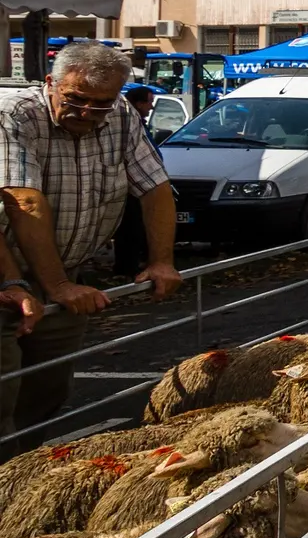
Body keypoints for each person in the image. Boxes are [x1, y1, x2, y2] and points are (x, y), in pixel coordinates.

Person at [0, 42, 180, 449]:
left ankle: (19, 471)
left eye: (100, 103)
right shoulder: (15, 114)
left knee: (46, 390)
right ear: (51, 83)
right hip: (8, 272)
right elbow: (22, 200)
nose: (86, 112)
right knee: (2, 392)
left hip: (66, 271)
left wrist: (162, 261)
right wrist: (59, 286)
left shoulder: (120, 114)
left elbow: (155, 187)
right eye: (75, 99)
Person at [112, 85, 156, 276]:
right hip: (131, 186)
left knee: (137, 226)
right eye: (149, 102)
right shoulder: (130, 124)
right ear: (138, 103)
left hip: (140, 183)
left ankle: (133, 262)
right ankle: (127, 266)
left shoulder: (138, 123)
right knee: (131, 227)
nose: (151, 107)